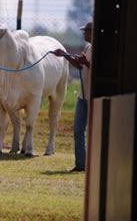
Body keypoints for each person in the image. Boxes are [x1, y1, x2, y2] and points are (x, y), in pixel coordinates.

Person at [53, 21, 92, 172]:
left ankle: (91, 163)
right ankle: (80, 164)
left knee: (92, 132)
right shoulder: (88, 47)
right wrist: (64, 56)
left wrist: (87, 64)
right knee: (78, 130)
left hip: (93, 97)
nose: (84, 34)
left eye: (86, 31)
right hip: (83, 96)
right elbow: (80, 65)